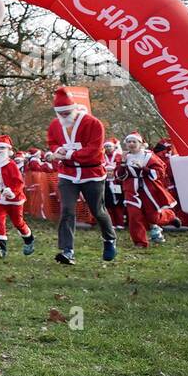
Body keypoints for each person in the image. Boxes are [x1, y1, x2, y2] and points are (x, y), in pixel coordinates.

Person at [46, 87, 118, 264]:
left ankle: (109, 239)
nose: (64, 116)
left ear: (75, 108)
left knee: (97, 210)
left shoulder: (93, 123)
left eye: (67, 112)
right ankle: (67, 250)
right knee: (67, 210)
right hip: (68, 174)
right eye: (60, 113)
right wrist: (57, 150)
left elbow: (94, 150)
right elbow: (52, 142)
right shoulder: (55, 125)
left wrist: (69, 154)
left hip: (91, 173)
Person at [116, 132, 176, 247]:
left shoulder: (149, 156)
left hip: (149, 189)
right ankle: (140, 242)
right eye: (129, 142)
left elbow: (160, 172)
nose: (131, 144)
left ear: (140, 143)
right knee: (134, 216)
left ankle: (169, 216)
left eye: (134, 141)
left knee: (153, 217)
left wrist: (143, 168)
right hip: (131, 190)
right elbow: (119, 176)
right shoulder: (124, 156)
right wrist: (123, 163)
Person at [0, 135, 35, 258]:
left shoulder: (11, 165)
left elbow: (19, 182)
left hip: (14, 199)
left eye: (3, 148)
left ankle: (29, 240)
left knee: (18, 222)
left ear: (8, 150)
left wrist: (12, 192)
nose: (0, 150)